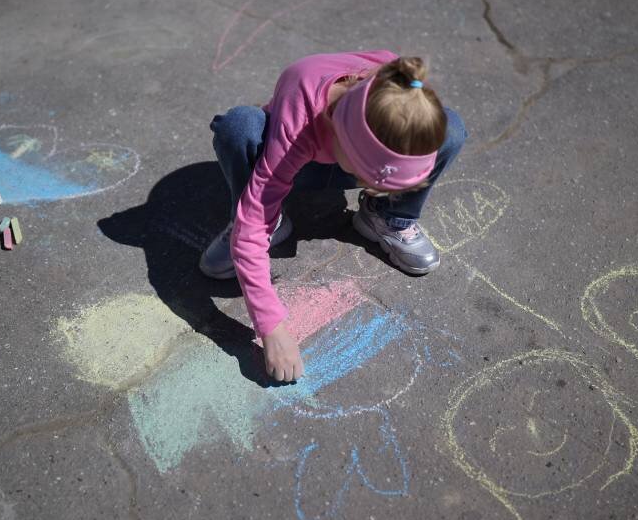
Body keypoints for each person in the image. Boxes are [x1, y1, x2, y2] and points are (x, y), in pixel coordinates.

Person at [200, 51, 467, 382]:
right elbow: (251, 227)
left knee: (450, 127)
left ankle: (387, 218)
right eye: (374, 184)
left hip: (341, 156)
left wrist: (381, 177)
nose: (373, 187)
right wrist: (271, 327)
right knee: (239, 128)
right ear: (341, 137)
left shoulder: (397, 88)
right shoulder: (297, 117)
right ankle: (272, 219)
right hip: (298, 162)